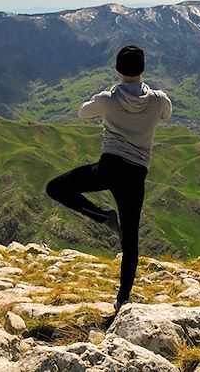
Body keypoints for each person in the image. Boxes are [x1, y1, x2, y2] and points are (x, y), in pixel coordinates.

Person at [45, 45, 172, 313]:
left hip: (108, 167)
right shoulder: (158, 99)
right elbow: (166, 113)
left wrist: (105, 99)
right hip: (136, 174)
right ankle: (122, 299)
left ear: (117, 70)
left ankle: (103, 217)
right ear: (143, 69)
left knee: (56, 188)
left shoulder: (107, 99)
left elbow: (82, 112)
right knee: (131, 239)